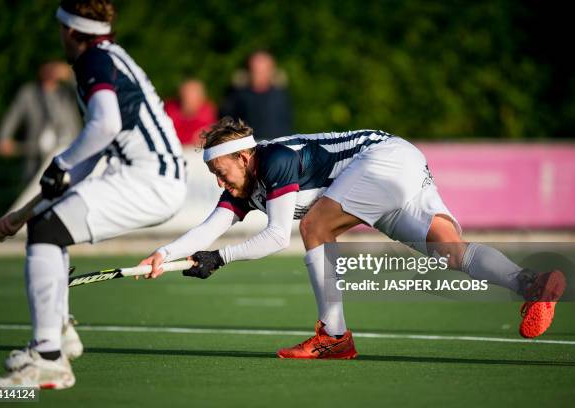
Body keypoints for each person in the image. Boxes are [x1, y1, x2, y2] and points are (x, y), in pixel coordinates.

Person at [139, 117, 565, 359]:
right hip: (399, 168)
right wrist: (161, 254)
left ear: (244, 157)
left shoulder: (274, 161)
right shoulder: (244, 186)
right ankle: (531, 284)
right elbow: (210, 226)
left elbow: (274, 237)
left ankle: (334, 336)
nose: (219, 183)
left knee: (314, 227)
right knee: (450, 253)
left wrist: (220, 258)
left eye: (220, 172)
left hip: (383, 160)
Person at [0, 0, 186, 388]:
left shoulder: (93, 61)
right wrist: (26, 212)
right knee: (46, 228)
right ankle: (58, 335)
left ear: (71, 31)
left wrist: (59, 164)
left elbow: (105, 125)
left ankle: (48, 356)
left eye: (60, 29)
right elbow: (91, 154)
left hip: (147, 180)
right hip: (150, 178)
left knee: (48, 231)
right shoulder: (109, 56)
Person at [0, 61, 81, 181]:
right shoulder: (28, 93)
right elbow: (13, 116)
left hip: (68, 149)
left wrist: (69, 74)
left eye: (53, 68)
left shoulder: (67, 92)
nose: (51, 72)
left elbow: (85, 90)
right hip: (37, 154)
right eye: (47, 68)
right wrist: (4, 137)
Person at [220, 51, 292, 141]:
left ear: (271, 71)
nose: (259, 74)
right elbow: (227, 123)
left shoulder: (280, 95)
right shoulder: (236, 96)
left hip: (277, 146)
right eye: (255, 70)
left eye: (264, 70)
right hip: (247, 147)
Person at [164, 79, 217, 146]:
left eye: (192, 94)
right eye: (185, 94)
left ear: (201, 97)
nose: (188, 98)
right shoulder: (170, 109)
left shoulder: (207, 111)